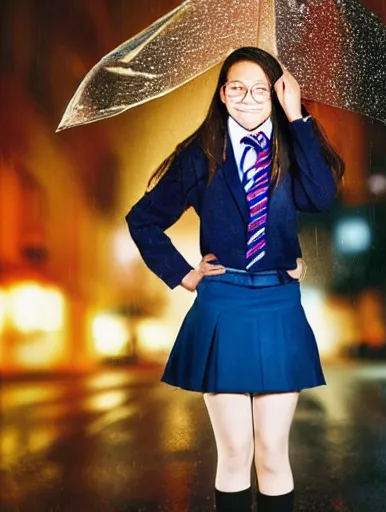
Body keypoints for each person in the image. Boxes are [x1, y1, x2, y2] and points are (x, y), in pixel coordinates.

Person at [125, 46, 344, 512]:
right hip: (222, 302)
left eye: (260, 89)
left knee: (271, 453)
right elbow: (141, 219)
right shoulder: (199, 155)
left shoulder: (290, 146)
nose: (248, 98)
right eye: (238, 88)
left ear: (275, 94)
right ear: (223, 94)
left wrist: (297, 116)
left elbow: (322, 197)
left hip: (278, 301)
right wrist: (183, 274)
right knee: (235, 453)